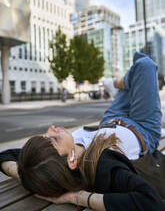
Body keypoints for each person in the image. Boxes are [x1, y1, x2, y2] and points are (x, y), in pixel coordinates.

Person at [0, 52, 164, 210]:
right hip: (142, 128)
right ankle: (119, 84)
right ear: (71, 161)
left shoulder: (45, 162)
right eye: (54, 139)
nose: (52, 129)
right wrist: (76, 197)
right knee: (144, 64)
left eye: (46, 135)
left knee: (138, 71)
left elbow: (5, 155)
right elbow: (149, 202)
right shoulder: (103, 167)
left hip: (109, 121)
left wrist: (31, 179)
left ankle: (123, 85)